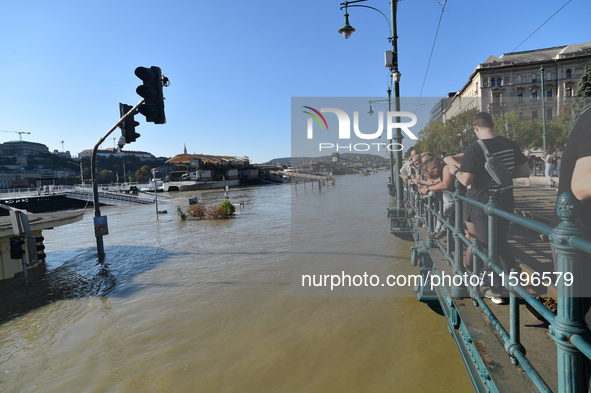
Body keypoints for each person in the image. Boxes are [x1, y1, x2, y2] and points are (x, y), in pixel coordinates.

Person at [446, 112, 530, 304]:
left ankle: (497, 289)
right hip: (507, 200)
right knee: (501, 242)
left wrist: (454, 170)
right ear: (492, 124)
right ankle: (513, 283)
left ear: (475, 128)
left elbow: (466, 180)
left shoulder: (474, 149)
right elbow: (525, 171)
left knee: (486, 246)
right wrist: (502, 175)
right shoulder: (510, 144)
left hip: (483, 204)